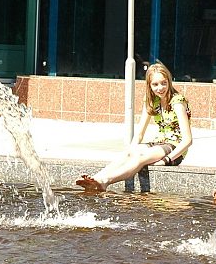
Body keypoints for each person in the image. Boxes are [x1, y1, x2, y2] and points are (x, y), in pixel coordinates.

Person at [76, 62, 192, 192]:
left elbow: (187, 140)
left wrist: (167, 159)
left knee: (140, 158)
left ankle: (105, 181)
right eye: (155, 84)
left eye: (164, 83)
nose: (160, 88)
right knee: (131, 152)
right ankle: (96, 178)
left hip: (175, 148)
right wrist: (129, 152)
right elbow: (139, 134)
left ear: (169, 82)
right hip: (159, 143)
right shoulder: (152, 101)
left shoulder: (177, 101)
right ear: (149, 85)